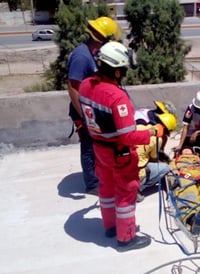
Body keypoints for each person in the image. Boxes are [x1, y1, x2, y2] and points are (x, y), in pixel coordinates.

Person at [78, 41, 163, 252]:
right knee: (126, 193)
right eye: (123, 70)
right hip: (119, 152)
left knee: (105, 189)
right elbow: (128, 137)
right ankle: (126, 238)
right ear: (116, 71)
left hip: (100, 148)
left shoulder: (85, 85)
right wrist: (153, 131)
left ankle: (110, 227)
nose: (125, 74)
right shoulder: (117, 97)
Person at [67, 16, 122, 195]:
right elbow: (73, 87)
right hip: (84, 111)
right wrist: (84, 116)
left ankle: (99, 176)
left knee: (99, 144)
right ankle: (91, 184)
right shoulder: (81, 56)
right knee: (89, 146)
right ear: (102, 39)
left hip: (93, 110)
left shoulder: (93, 54)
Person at [136, 112, 177, 202]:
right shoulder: (157, 139)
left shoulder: (140, 127)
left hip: (119, 171)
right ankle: (136, 189)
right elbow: (154, 160)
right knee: (165, 168)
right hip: (136, 174)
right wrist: (164, 162)